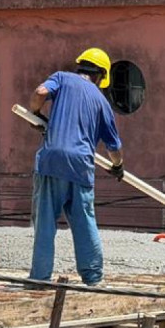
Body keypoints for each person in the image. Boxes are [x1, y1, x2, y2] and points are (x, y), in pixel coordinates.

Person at [27, 48, 124, 287]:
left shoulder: (61, 77)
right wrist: (118, 166)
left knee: (45, 222)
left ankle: (39, 279)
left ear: (81, 66)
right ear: (101, 75)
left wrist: (36, 113)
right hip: (80, 164)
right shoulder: (102, 102)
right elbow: (114, 146)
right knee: (84, 222)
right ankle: (93, 278)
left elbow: (40, 92)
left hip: (51, 162)